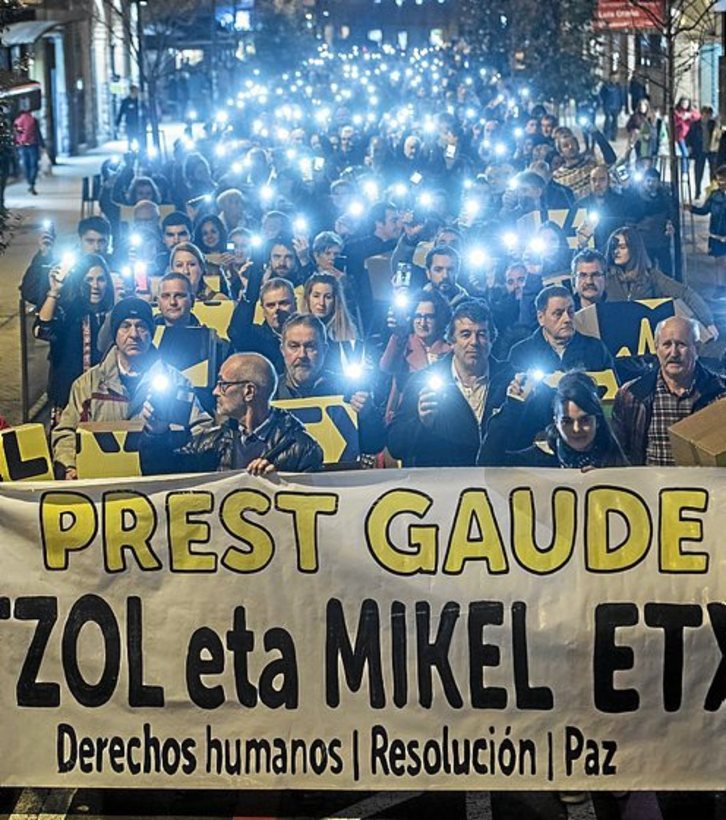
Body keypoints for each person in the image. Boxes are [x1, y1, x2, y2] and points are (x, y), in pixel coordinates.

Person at [51, 297, 212, 479]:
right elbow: (65, 431)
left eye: (141, 326)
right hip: (101, 482)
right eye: (125, 326)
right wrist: (69, 466)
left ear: (151, 333)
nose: (134, 334)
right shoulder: (87, 384)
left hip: (156, 482)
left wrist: (186, 464)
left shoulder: (177, 382)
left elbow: (202, 430)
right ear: (115, 334)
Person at [387, 299, 513, 467]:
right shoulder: (422, 381)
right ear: (452, 342)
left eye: (482, 334)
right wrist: (422, 423)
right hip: (444, 480)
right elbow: (395, 446)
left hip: (498, 480)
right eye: (465, 334)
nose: (474, 342)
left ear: (492, 340)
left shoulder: (510, 380)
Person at [177, 352, 323, 475]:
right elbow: (172, 469)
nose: (215, 392)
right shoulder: (212, 442)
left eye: (223, 384)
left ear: (249, 392)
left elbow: (310, 497)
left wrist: (280, 480)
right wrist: (162, 431)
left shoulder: (302, 449)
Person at [612, 316, 726, 465]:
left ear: (697, 348)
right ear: (656, 348)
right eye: (666, 345)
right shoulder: (631, 394)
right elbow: (616, 451)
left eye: (681, 344)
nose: (674, 353)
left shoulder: (721, 392)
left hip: (706, 479)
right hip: (650, 480)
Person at [275, 314, 386, 457]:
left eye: (311, 346)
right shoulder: (268, 393)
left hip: (340, 471)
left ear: (324, 350)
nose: (302, 354)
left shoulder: (348, 389)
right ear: (282, 350)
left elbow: (374, 446)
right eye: (294, 346)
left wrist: (368, 415)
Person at [478, 371, 628, 467]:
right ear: (556, 422)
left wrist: (603, 480)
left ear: (598, 421)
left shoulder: (616, 458)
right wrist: (513, 406)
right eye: (567, 422)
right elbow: (488, 463)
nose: (576, 429)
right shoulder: (540, 457)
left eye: (584, 420)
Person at [34, 253, 116, 424]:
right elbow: (42, 330)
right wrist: (55, 291)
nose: (95, 286)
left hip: (106, 400)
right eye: (89, 280)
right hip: (68, 399)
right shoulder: (67, 311)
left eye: (101, 279)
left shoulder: (114, 314)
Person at [604, 227, 716, 335]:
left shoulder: (651, 276)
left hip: (644, 339)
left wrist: (708, 322)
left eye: (622, 247)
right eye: (613, 247)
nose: (616, 251)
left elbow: (686, 293)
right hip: (615, 335)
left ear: (634, 249)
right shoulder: (605, 277)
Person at [509, 285, 616, 374]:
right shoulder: (521, 353)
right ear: (541, 317)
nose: (567, 319)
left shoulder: (595, 349)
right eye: (558, 314)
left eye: (570, 311)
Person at [380, 289, 451, 421]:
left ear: (439, 319)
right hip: (406, 417)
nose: (422, 323)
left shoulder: (450, 349)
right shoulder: (402, 343)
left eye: (429, 317)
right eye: (418, 316)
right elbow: (386, 367)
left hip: (441, 415)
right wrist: (398, 335)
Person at [20, 215, 112, 308]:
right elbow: (30, 293)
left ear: (108, 241)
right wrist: (44, 256)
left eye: (101, 241)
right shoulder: (66, 267)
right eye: (90, 241)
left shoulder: (115, 267)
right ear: (80, 240)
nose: (96, 247)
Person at [228, 277, 295, 374]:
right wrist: (253, 285)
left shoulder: (308, 331)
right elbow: (236, 332)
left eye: (283, 303)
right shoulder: (256, 337)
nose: (277, 309)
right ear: (263, 309)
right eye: (271, 305)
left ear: (295, 303)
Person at [686, 165, 726, 298]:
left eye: (723, 179)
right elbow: (705, 210)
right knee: (719, 262)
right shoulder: (714, 195)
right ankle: (720, 287)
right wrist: (692, 209)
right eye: (719, 179)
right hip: (716, 235)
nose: (720, 183)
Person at [13, 107, 43, 195]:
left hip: (22, 146)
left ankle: (29, 180)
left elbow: (15, 134)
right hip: (33, 144)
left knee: (25, 164)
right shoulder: (33, 120)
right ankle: (32, 183)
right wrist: (42, 145)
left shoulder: (17, 121)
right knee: (34, 165)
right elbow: (38, 133)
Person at [600, 72, 624, 141]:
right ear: (610, 78)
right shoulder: (605, 86)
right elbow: (602, 95)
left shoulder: (619, 86)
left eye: (616, 78)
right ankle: (606, 135)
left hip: (616, 106)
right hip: (607, 106)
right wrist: (603, 103)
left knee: (615, 121)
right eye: (613, 78)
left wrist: (622, 105)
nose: (614, 79)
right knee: (608, 120)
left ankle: (613, 136)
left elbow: (621, 96)